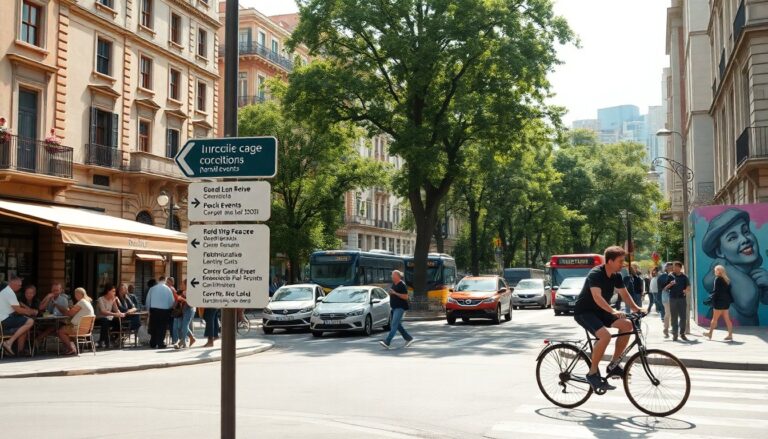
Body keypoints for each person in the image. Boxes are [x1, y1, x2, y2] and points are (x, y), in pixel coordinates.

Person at [574, 246, 643, 392]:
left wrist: (637, 308)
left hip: (600, 311)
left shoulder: (616, 276)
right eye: (620, 261)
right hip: (584, 312)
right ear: (610, 261)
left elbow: (624, 294)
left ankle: (613, 364)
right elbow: (597, 297)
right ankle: (592, 374)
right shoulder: (596, 273)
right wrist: (613, 310)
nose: (623, 264)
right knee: (605, 336)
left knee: (627, 326)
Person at [701, 208, 768, 326]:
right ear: (720, 251)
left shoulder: (756, 274)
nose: (745, 239)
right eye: (732, 238)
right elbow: (748, 303)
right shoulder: (721, 269)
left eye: (746, 231)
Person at [0, 276, 36, 356]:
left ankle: (20, 351)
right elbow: (18, 310)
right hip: (4, 320)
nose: (20, 287)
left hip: (3, 321)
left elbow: (14, 309)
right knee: (30, 321)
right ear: (13, 284)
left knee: (23, 328)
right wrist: (30, 312)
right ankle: (8, 343)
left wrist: (26, 312)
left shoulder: (6, 291)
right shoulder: (10, 293)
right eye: (19, 285)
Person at [380, 270, 415, 349]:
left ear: (397, 276)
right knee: (398, 325)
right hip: (394, 307)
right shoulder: (394, 284)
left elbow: (406, 297)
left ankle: (387, 342)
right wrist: (391, 293)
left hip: (400, 308)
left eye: (393, 275)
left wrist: (395, 293)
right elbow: (394, 293)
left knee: (394, 324)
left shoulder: (402, 285)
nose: (391, 276)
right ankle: (409, 338)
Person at [56, 288, 95, 355]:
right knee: (65, 327)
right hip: (86, 329)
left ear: (79, 294)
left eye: (75, 294)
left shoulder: (81, 302)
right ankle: (71, 348)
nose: (75, 296)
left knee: (60, 331)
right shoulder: (87, 302)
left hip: (77, 329)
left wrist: (58, 306)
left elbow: (69, 313)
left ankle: (71, 349)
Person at [704, 265, 735, 341]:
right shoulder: (727, 279)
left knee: (714, 319)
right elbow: (728, 291)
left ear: (719, 271)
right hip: (726, 302)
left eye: (715, 270)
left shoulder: (717, 279)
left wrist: (711, 299)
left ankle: (710, 334)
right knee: (727, 319)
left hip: (719, 302)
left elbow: (716, 291)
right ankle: (730, 335)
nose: (714, 271)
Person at [662, 261, 690, 341]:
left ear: (680, 268)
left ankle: (682, 333)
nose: (674, 268)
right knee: (674, 317)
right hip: (673, 299)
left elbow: (688, 287)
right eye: (673, 267)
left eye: (676, 267)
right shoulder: (670, 276)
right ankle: (675, 334)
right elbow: (665, 288)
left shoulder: (684, 277)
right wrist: (670, 284)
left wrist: (686, 291)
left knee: (683, 317)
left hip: (682, 299)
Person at [146, 276, 174, 349]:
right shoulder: (168, 289)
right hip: (164, 311)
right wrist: (169, 308)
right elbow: (171, 302)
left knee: (154, 326)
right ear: (165, 280)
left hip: (154, 310)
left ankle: (153, 343)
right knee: (162, 328)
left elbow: (148, 300)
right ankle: (160, 343)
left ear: (158, 280)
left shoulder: (152, 288)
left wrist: (148, 310)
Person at [172, 279, 196, 349]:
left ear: (187, 285)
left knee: (184, 326)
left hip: (189, 310)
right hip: (182, 311)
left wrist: (182, 299)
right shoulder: (182, 292)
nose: (181, 285)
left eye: (182, 284)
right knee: (181, 326)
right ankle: (191, 338)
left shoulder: (191, 292)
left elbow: (191, 305)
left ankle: (182, 341)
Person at [658, 262, 673, 338]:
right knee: (668, 313)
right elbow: (662, 288)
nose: (671, 268)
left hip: (675, 297)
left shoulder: (675, 275)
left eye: (672, 267)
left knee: (673, 314)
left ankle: (672, 328)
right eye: (669, 267)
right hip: (666, 297)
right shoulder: (662, 276)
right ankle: (666, 329)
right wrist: (670, 284)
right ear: (666, 267)